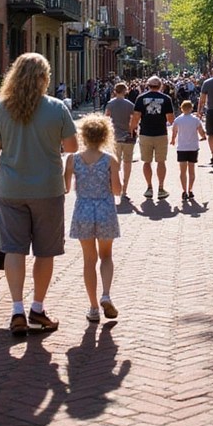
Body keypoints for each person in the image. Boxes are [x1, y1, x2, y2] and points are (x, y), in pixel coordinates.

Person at [0, 52, 78, 336]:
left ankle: (16, 311)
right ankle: (38, 307)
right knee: (45, 251)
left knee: (13, 248)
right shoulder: (57, 107)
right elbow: (72, 146)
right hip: (48, 189)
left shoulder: (1, 109)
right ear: (44, 78)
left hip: (11, 189)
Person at [64, 113, 122, 322]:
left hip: (83, 210)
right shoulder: (110, 160)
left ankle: (93, 307)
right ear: (105, 135)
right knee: (106, 256)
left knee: (89, 259)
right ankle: (106, 293)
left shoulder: (73, 159)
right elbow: (117, 190)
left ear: (83, 135)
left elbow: (66, 187)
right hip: (105, 209)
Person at [130, 75, 174, 200]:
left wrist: (132, 129)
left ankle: (149, 188)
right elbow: (170, 119)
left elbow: (136, 116)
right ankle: (160, 188)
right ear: (160, 86)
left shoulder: (141, 98)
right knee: (161, 162)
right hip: (161, 133)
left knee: (146, 162)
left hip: (145, 133)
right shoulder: (166, 98)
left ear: (148, 86)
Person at [170, 99, 207, 201]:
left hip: (182, 148)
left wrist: (173, 140)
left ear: (181, 109)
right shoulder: (195, 120)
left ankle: (184, 191)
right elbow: (201, 131)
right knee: (192, 171)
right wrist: (203, 136)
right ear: (191, 108)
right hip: (193, 147)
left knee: (182, 171)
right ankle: (190, 189)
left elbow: (174, 131)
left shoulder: (177, 120)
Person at [105, 82, 136, 200]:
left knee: (114, 164)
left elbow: (106, 119)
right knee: (127, 163)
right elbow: (134, 120)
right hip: (128, 137)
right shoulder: (130, 105)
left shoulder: (110, 104)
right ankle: (124, 190)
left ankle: (114, 187)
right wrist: (131, 130)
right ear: (125, 91)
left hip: (114, 138)